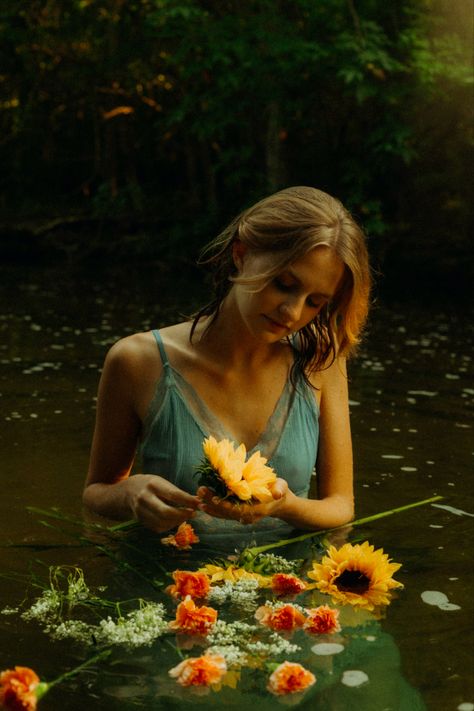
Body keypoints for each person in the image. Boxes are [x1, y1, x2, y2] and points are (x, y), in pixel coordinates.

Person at [83, 186, 371, 543]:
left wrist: (284, 506)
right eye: (283, 284)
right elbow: (97, 491)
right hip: (166, 585)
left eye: (315, 302)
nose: (292, 312)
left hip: (288, 589)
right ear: (241, 253)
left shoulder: (321, 361)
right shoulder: (137, 361)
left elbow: (341, 505)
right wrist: (130, 494)